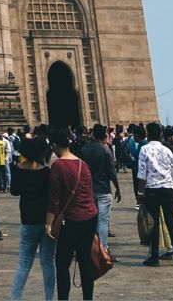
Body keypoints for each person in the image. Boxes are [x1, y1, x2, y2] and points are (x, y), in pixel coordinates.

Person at [46, 130, 98, 301]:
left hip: (71, 220)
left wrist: (49, 224)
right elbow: (90, 191)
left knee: (62, 264)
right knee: (85, 261)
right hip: (90, 217)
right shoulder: (83, 163)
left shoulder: (58, 165)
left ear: (54, 146)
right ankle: (88, 298)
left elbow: (54, 198)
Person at [137, 120, 173, 267]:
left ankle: (154, 258)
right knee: (171, 224)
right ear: (160, 134)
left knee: (153, 225)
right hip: (168, 189)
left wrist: (140, 194)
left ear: (147, 134)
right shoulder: (167, 150)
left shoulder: (145, 150)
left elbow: (141, 174)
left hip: (152, 190)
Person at [10, 135, 55, 301]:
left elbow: (14, 191)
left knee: (23, 263)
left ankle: (15, 298)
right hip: (46, 221)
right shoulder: (47, 172)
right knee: (48, 263)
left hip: (28, 220)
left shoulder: (17, 168)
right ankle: (49, 298)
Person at [79, 124, 120, 253]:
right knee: (103, 221)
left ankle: (90, 246)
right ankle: (103, 248)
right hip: (103, 189)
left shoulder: (84, 148)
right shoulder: (105, 149)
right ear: (104, 135)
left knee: (90, 220)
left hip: (89, 189)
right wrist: (117, 188)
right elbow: (112, 172)